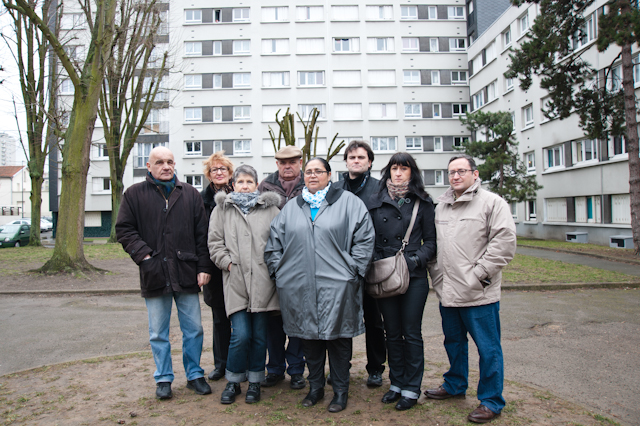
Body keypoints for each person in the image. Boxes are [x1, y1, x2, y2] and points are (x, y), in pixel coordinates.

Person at [265, 158, 375, 413]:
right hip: (299, 287)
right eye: (309, 172)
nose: (313, 175)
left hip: (338, 286)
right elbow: (274, 244)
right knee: (309, 340)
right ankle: (315, 388)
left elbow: (365, 239)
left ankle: (340, 391)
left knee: (338, 340)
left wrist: (352, 271)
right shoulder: (292, 207)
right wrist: (280, 273)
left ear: (329, 175)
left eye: (318, 171)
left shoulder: (349, 203)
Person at [425, 154, 516, 424]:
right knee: (453, 343)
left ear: (475, 174)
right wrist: (437, 275)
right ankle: (455, 384)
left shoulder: (492, 203)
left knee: (488, 349)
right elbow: (435, 245)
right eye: (451, 172)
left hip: (479, 294)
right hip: (448, 291)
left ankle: (491, 400)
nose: (455, 176)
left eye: (461, 171)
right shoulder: (441, 207)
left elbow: (504, 244)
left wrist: (478, 275)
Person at [116, 146, 212, 400]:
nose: (166, 166)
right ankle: (164, 378)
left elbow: (202, 234)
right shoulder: (134, 194)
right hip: (155, 272)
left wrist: (204, 267)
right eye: (159, 162)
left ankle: (194, 375)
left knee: (194, 329)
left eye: (169, 161)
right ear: (149, 166)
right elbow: (124, 230)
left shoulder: (190, 194)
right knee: (158, 332)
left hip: (186, 271)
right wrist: (145, 256)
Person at [366, 152, 437, 410]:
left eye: (404, 169)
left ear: (411, 172)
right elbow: (368, 238)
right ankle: (396, 383)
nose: (398, 173)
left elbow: (431, 242)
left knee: (411, 332)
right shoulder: (376, 201)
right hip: (385, 274)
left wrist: (413, 261)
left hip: (413, 275)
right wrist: (377, 261)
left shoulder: (422, 202)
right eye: (394, 168)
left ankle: (411, 388)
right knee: (392, 333)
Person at [208, 165, 282, 404]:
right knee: (240, 335)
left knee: (259, 336)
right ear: (233, 185)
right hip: (236, 281)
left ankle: (255, 382)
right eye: (240, 182)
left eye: (250, 182)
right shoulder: (222, 209)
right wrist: (228, 264)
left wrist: (271, 267)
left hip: (263, 283)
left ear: (257, 185)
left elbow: (280, 242)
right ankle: (233, 381)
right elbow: (215, 243)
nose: (245, 186)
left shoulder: (271, 209)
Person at [332, 140, 386, 388]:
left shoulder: (379, 188)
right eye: (352, 157)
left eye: (361, 157)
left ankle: (375, 368)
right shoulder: (334, 189)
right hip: (340, 266)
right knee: (341, 320)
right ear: (345, 162)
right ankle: (340, 367)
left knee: (374, 320)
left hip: (371, 264)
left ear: (370, 162)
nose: (356, 161)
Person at [257, 145, 306, 390]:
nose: (288, 166)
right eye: (283, 162)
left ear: (300, 163)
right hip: (272, 260)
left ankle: (296, 369)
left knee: (298, 319)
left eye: (293, 162)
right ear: (277, 164)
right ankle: (275, 368)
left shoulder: (309, 185)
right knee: (273, 320)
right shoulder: (264, 187)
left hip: (302, 262)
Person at [200, 152, 234, 381]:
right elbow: (200, 235)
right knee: (220, 319)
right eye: (215, 169)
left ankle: (242, 363)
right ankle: (221, 364)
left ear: (230, 173)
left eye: (223, 169)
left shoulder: (240, 194)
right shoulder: (200, 201)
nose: (219, 172)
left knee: (242, 319)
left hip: (238, 266)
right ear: (209, 174)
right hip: (213, 266)